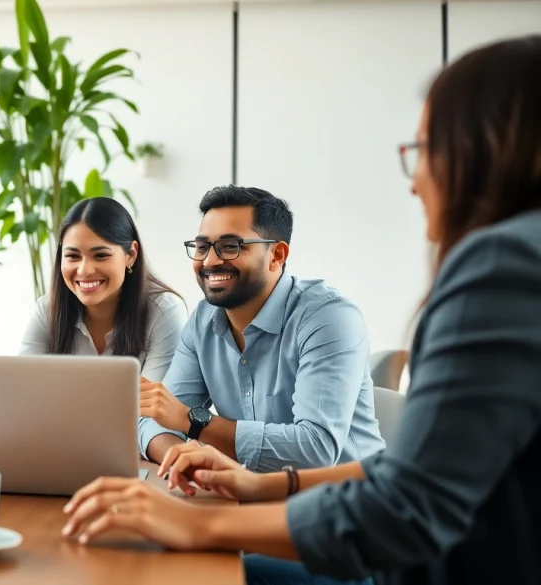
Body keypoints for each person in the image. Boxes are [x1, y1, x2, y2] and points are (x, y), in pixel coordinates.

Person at [62, 35, 541, 585]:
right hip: (350, 526)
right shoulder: (203, 319)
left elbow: (399, 500)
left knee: (160, 566)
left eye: (427, 148)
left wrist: (202, 525)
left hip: (389, 560)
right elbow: (420, 470)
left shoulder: (500, 266)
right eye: (203, 245)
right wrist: (256, 483)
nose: (416, 180)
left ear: (484, 149)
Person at [137, 186, 385, 470]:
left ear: (277, 255)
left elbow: (316, 448)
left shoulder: (329, 318)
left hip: (346, 503)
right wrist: (181, 460)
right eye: (202, 247)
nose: (210, 261)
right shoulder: (203, 321)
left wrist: (191, 420)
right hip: (251, 496)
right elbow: (154, 419)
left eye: (231, 246)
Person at [20, 197, 187, 382]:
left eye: (100, 255)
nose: (84, 270)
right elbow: (23, 389)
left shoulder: (164, 311)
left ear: (131, 255)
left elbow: (152, 406)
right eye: (72, 256)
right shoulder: (48, 309)